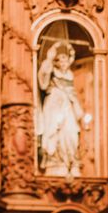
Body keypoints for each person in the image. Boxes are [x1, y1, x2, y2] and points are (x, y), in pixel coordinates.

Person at [38, 40, 84, 177]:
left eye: (66, 60)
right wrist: (49, 57)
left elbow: (73, 92)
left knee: (71, 133)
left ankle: (70, 162)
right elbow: (42, 80)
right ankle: (55, 162)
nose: (63, 63)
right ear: (56, 62)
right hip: (53, 104)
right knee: (53, 132)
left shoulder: (70, 74)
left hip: (67, 105)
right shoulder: (52, 71)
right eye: (60, 60)